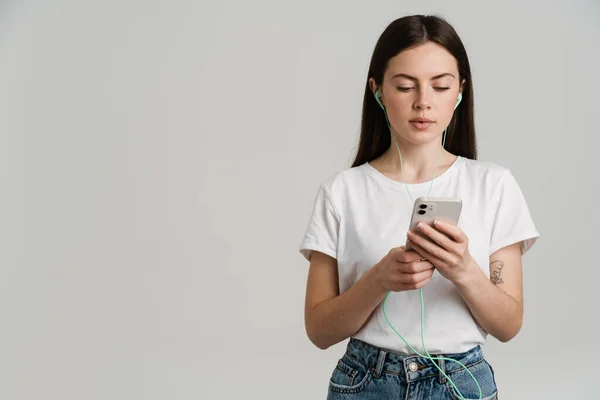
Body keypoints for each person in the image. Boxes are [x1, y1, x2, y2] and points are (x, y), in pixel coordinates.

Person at [298, 14, 539, 400]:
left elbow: (509, 325)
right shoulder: (342, 191)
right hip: (366, 381)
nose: (423, 102)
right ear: (377, 91)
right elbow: (319, 330)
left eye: (440, 86)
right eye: (406, 86)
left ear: (460, 91)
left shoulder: (494, 185)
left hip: (462, 381)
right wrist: (378, 281)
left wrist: (463, 270)